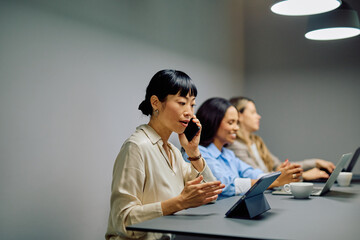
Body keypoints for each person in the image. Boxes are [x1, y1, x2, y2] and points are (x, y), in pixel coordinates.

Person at [105, 70, 225, 240]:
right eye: (182, 103)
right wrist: (180, 202)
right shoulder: (136, 147)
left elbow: (210, 195)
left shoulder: (174, 152)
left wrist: (193, 151)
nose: (189, 112)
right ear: (155, 103)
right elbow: (123, 221)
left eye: (192, 105)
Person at [183, 97, 303, 199]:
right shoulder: (199, 153)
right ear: (213, 122)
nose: (236, 128)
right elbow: (225, 186)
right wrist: (274, 181)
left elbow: (251, 173)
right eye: (231, 123)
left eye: (237, 123)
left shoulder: (227, 154)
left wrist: (277, 176)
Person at [228, 96, 336, 181]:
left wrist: (315, 162)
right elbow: (259, 177)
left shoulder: (256, 141)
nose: (258, 116)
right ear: (239, 116)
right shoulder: (235, 146)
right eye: (253, 112)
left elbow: (278, 166)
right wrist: (304, 175)